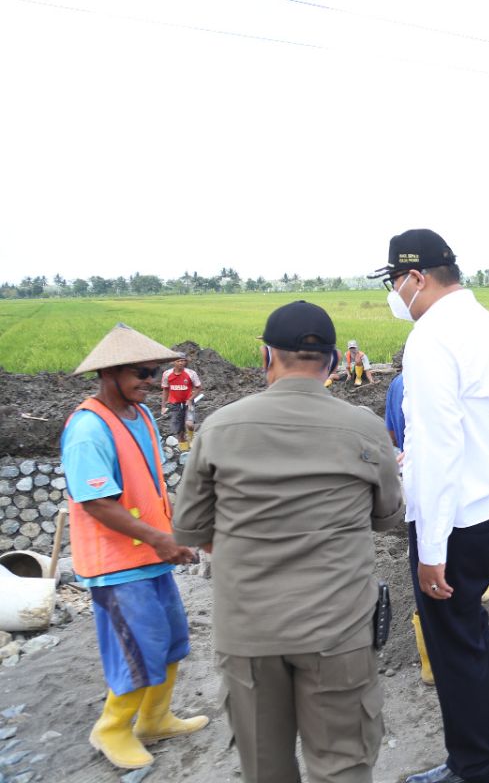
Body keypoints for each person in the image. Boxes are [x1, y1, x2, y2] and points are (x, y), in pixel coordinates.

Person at [172, 301, 402, 783]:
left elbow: (191, 529)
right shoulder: (364, 428)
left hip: (249, 632)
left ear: (265, 357)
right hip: (337, 629)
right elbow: (386, 518)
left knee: (265, 768)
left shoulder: (219, 428)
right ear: (336, 362)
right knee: (342, 764)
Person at [373, 228, 489, 783]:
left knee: (450, 641)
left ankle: (472, 766)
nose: (394, 294)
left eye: (394, 281)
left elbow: (436, 450)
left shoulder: (431, 338)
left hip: (458, 518)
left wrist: (430, 548)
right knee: (468, 621)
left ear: (414, 277)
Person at [60, 323, 208, 771]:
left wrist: (175, 530)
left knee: (171, 641)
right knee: (137, 646)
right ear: (110, 373)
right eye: (142, 372)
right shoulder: (88, 428)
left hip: (149, 557)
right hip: (117, 563)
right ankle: (111, 729)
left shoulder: (139, 415)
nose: (152, 380)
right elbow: (98, 503)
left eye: (155, 372)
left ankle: (155, 718)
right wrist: (162, 539)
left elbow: (150, 486)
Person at [160, 356, 201, 449]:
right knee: (179, 431)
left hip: (188, 403)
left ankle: (191, 437)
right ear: (173, 362)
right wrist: (163, 406)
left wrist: (190, 399)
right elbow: (165, 390)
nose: (181, 363)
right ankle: (184, 450)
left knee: (189, 424)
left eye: (183, 361)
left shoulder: (191, 373)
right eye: (179, 361)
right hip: (175, 405)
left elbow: (198, 387)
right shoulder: (167, 374)